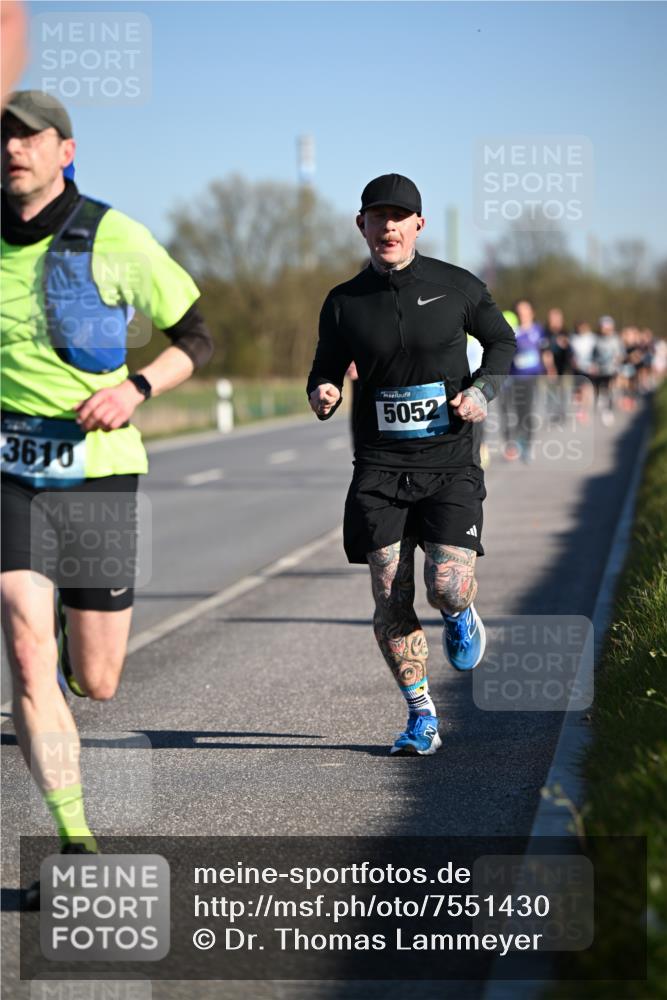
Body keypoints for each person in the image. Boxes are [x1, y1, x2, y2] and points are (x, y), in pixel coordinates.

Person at [1, 91, 213, 903]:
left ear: (65, 149)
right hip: (10, 468)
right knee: (25, 646)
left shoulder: (115, 236)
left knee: (97, 680)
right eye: (4, 138)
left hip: (98, 468)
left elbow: (196, 335)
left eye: (30, 138)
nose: (13, 149)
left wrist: (135, 387)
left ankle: (58, 624)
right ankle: (75, 838)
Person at [307, 174, 515, 756]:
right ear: (362, 226)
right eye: (378, 218)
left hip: (448, 461)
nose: (388, 227)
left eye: (400, 217)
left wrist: (482, 392)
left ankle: (461, 612)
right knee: (387, 595)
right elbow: (325, 364)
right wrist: (323, 390)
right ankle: (421, 715)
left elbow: (503, 343)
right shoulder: (344, 301)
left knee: (446, 586)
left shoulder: (456, 287)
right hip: (379, 468)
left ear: (418, 225)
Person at [498, 299, 553, 462]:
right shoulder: (512, 331)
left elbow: (545, 352)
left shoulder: (539, 330)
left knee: (526, 412)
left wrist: (550, 369)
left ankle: (527, 445)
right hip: (512, 378)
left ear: (532, 312)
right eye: (520, 311)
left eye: (526, 310)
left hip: (530, 378)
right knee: (509, 412)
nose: (523, 313)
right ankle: (511, 443)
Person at [591, 315, 623, 425]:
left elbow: (620, 354)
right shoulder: (596, 339)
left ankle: (608, 410)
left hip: (611, 369)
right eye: (603, 327)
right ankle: (599, 402)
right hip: (599, 369)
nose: (605, 330)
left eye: (608, 328)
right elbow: (593, 354)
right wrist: (593, 364)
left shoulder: (616, 339)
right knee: (599, 388)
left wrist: (618, 362)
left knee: (610, 389)